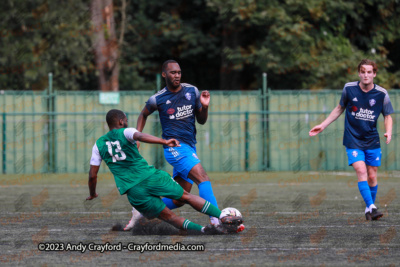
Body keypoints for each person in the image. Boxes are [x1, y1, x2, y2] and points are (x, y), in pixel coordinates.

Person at [86, 109, 242, 234]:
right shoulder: (126, 132)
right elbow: (140, 135)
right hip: (150, 177)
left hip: (132, 190)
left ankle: (203, 230)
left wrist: (93, 193)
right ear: (121, 121)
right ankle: (221, 216)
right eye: (125, 120)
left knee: (170, 217)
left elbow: (93, 175)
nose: (127, 122)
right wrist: (164, 141)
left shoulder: (98, 145)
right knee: (185, 196)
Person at [124, 59, 232, 230]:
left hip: (189, 147)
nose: (177, 75)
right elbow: (143, 114)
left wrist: (204, 107)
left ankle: (142, 212)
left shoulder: (192, 91)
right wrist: (137, 137)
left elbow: (201, 121)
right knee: (202, 177)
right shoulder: (157, 98)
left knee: (179, 198)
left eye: (179, 72)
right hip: (174, 148)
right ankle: (216, 221)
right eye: (173, 72)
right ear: (164, 74)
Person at [309, 59, 393, 221]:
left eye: (369, 72)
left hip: (372, 139)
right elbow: (340, 108)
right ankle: (372, 207)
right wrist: (323, 125)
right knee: (361, 170)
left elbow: (387, 116)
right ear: (359, 73)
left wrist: (388, 132)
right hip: (353, 138)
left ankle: (369, 207)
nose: (366, 75)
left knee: (372, 176)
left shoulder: (382, 94)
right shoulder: (349, 89)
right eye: (363, 71)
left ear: (374, 74)